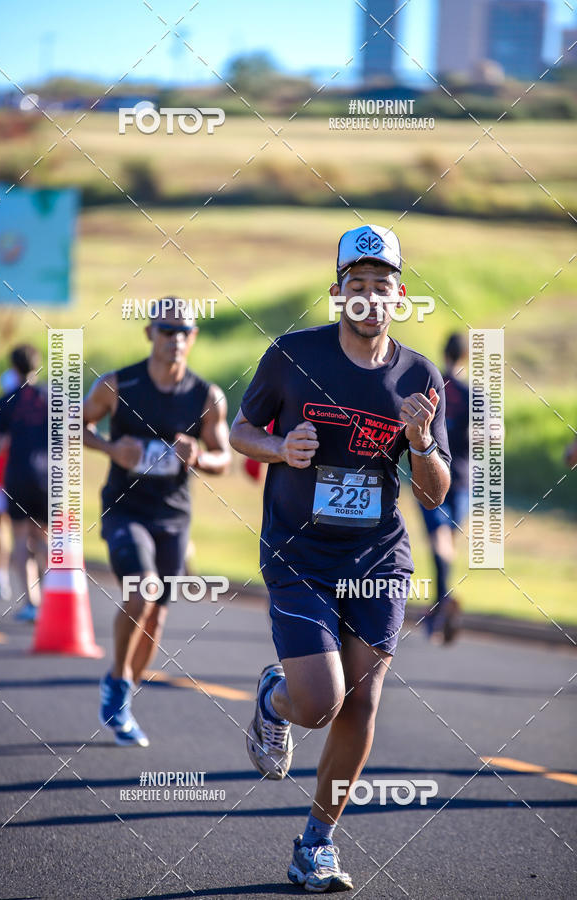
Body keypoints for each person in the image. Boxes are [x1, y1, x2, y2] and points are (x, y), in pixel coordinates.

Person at [230, 224, 451, 893]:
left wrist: (419, 441)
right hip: (300, 551)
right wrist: (279, 450)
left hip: (378, 555)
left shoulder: (419, 376)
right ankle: (275, 697)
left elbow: (434, 490)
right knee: (319, 702)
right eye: (356, 286)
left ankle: (316, 845)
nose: (369, 298)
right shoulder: (292, 356)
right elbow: (243, 430)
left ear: (399, 296)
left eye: (381, 287)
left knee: (362, 701)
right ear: (338, 293)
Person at [83, 298, 231, 748]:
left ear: (194, 337)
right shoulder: (118, 384)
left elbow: (224, 457)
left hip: (173, 515)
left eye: (184, 331)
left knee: (157, 616)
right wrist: (113, 449)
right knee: (142, 588)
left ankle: (122, 690)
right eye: (168, 330)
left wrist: (201, 456)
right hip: (126, 510)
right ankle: (118, 685)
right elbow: (73, 424)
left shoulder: (208, 396)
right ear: (150, 333)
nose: (176, 339)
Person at [0, 346, 48, 623]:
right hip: (49, 476)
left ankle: (32, 602)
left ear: (13, 367)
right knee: (45, 538)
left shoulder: (6, 400)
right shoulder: (51, 398)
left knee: (22, 537)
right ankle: (55, 595)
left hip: (18, 475)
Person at [419, 333, 469, 644]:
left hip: (431, 474)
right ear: (464, 356)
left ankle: (441, 601)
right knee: (446, 539)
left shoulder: (431, 388)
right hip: (462, 478)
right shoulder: (474, 394)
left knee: (439, 540)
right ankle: (441, 601)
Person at [0, 368, 21, 602]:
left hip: (6, 475)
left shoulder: (3, 404)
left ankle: (2, 576)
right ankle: (4, 578)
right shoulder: (39, 402)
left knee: (6, 526)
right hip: (15, 475)